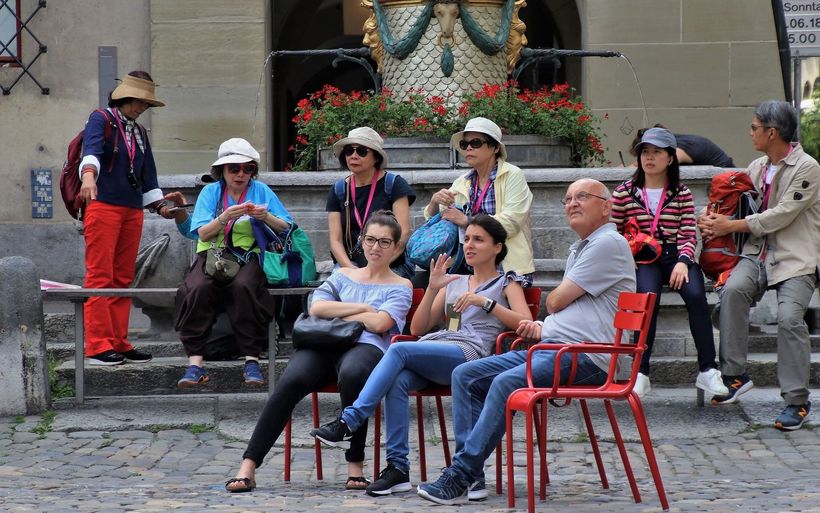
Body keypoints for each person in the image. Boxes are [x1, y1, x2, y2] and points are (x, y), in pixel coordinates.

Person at [417, 178, 636, 506]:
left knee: (506, 383)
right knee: (466, 375)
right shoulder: (584, 246)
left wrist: (547, 318)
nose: (572, 203)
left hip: (590, 355)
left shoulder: (607, 243)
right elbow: (565, 307)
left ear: (606, 207)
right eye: (567, 199)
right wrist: (544, 328)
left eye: (582, 197)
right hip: (556, 346)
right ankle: (472, 475)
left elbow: (556, 301)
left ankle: (460, 474)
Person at [309, 215, 532, 498]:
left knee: (399, 349)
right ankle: (398, 468)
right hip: (438, 348)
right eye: (466, 240)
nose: (469, 246)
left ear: (498, 247)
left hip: (472, 354)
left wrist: (484, 302)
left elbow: (525, 322)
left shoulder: (506, 282)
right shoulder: (455, 281)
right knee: (398, 379)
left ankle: (350, 420)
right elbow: (418, 328)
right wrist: (433, 288)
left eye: (478, 240)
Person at [224, 210, 413, 493]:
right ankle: (248, 465)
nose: (376, 247)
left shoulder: (401, 286)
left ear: (396, 247)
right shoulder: (343, 274)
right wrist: (363, 308)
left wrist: (344, 312)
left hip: (367, 347)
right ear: (361, 240)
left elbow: (381, 323)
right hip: (323, 343)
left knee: (353, 374)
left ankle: (355, 464)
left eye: (385, 242)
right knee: (290, 382)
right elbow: (317, 308)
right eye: (371, 239)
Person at [699, 101, 819, 430]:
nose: (750, 132)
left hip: (796, 257)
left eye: (754, 128)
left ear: (772, 132)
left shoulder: (808, 167)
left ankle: (796, 401)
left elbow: (780, 215)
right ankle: (734, 375)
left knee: (790, 320)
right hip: (756, 254)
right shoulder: (756, 166)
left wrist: (730, 226)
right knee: (733, 292)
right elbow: (735, 202)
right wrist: (711, 219)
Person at [611, 127, 728, 398]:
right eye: (645, 152)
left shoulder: (681, 192)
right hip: (642, 259)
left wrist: (684, 262)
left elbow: (689, 232)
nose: (649, 158)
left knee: (697, 295)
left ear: (670, 158)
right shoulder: (624, 193)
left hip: (676, 255)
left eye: (656, 153)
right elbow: (614, 234)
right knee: (646, 298)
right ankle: (641, 372)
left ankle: (708, 370)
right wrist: (628, 260)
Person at [174, 138, 291, 387]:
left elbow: (287, 227)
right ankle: (196, 364)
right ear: (222, 171)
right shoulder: (211, 192)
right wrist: (225, 217)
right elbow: (201, 233)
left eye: (247, 169)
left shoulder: (261, 191)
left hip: (247, 256)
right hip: (212, 256)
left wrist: (266, 216)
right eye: (234, 169)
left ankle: (251, 360)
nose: (241, 174)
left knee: (245, 286)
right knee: (196, 289)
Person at [77, 70, 175, 366]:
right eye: (137, 102)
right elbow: (91, 151)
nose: (140, 108)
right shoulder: (101, 119)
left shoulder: (140, 133)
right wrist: (88, 177)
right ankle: (96, 344)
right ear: (124, 97)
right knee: (100, 275)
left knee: (123, 278)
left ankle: (119, 341)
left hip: (132, 210)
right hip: (103, 205)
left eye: (145, 104)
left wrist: (162, 207)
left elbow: (149, 176)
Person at [420, 117, 534, 286]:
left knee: (470, 302)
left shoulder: (513, 175)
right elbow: (438, 221)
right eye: (465, 144)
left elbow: (511, 222)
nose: (469, 148)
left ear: (495, 147)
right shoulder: (462, 181)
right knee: (423, 285)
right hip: (468, 265)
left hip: (505, 265)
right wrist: (434, 204)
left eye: (476, 142)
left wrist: (468, 221)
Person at [327, 127, 416, 278]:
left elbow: (404, 234)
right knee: (333, 291)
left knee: (378, 289)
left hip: (390, 264)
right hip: (351, 264)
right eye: (349, 151)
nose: (354, 156)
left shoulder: (394, 184)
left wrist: (375, 269)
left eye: (361, 151)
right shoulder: (338, 190)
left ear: (376, 157)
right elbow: (335, 241)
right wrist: (353, 270)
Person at [629, 124, 735, 167]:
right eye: (645, 151)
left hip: (727, 184)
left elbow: (663, 162)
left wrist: (630, 168)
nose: (649, 156)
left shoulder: (683, 147)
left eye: (655, 150)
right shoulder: (677, 142)